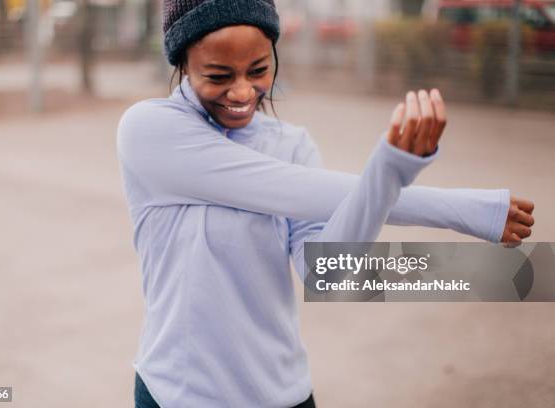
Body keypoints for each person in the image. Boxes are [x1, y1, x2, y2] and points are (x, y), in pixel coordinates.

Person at [116, 1, 535, 407]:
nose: (243, 91)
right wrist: (464, 211)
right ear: (182, 65)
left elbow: (328, 276)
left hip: (282, 395)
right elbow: (302, 191)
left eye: (259, 70)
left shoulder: (290, 144)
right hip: (174, 395)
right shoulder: (149, 131)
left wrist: (388, 171)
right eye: (219, 75)